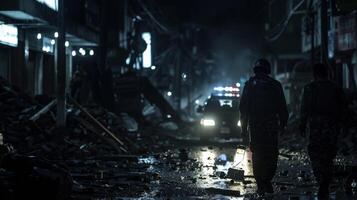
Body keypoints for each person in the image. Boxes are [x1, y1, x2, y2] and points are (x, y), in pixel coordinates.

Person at [239, 58, 288, 195]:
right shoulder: (275, 85)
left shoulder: (250, 85)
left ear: (255, 70)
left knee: (258, 155)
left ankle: (261, 183)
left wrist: (243, 130)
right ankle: (266, 181)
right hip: (271, 126)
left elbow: (243, 110)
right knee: (271, 154)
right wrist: (283, 125)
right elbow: (282, 108)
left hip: (255, 127)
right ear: (268, 70)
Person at [300, 63, 347, 200]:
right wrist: (342, 126)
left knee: (315, 154)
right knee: (329, 154)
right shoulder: (336, 89)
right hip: (331, 127)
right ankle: (325, 182)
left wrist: (302, 125)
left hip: (315, 127)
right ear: (327, 73)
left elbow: (304, 109)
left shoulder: (309, 88)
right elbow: (343, 109)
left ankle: (322, 181)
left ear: (315, 74)